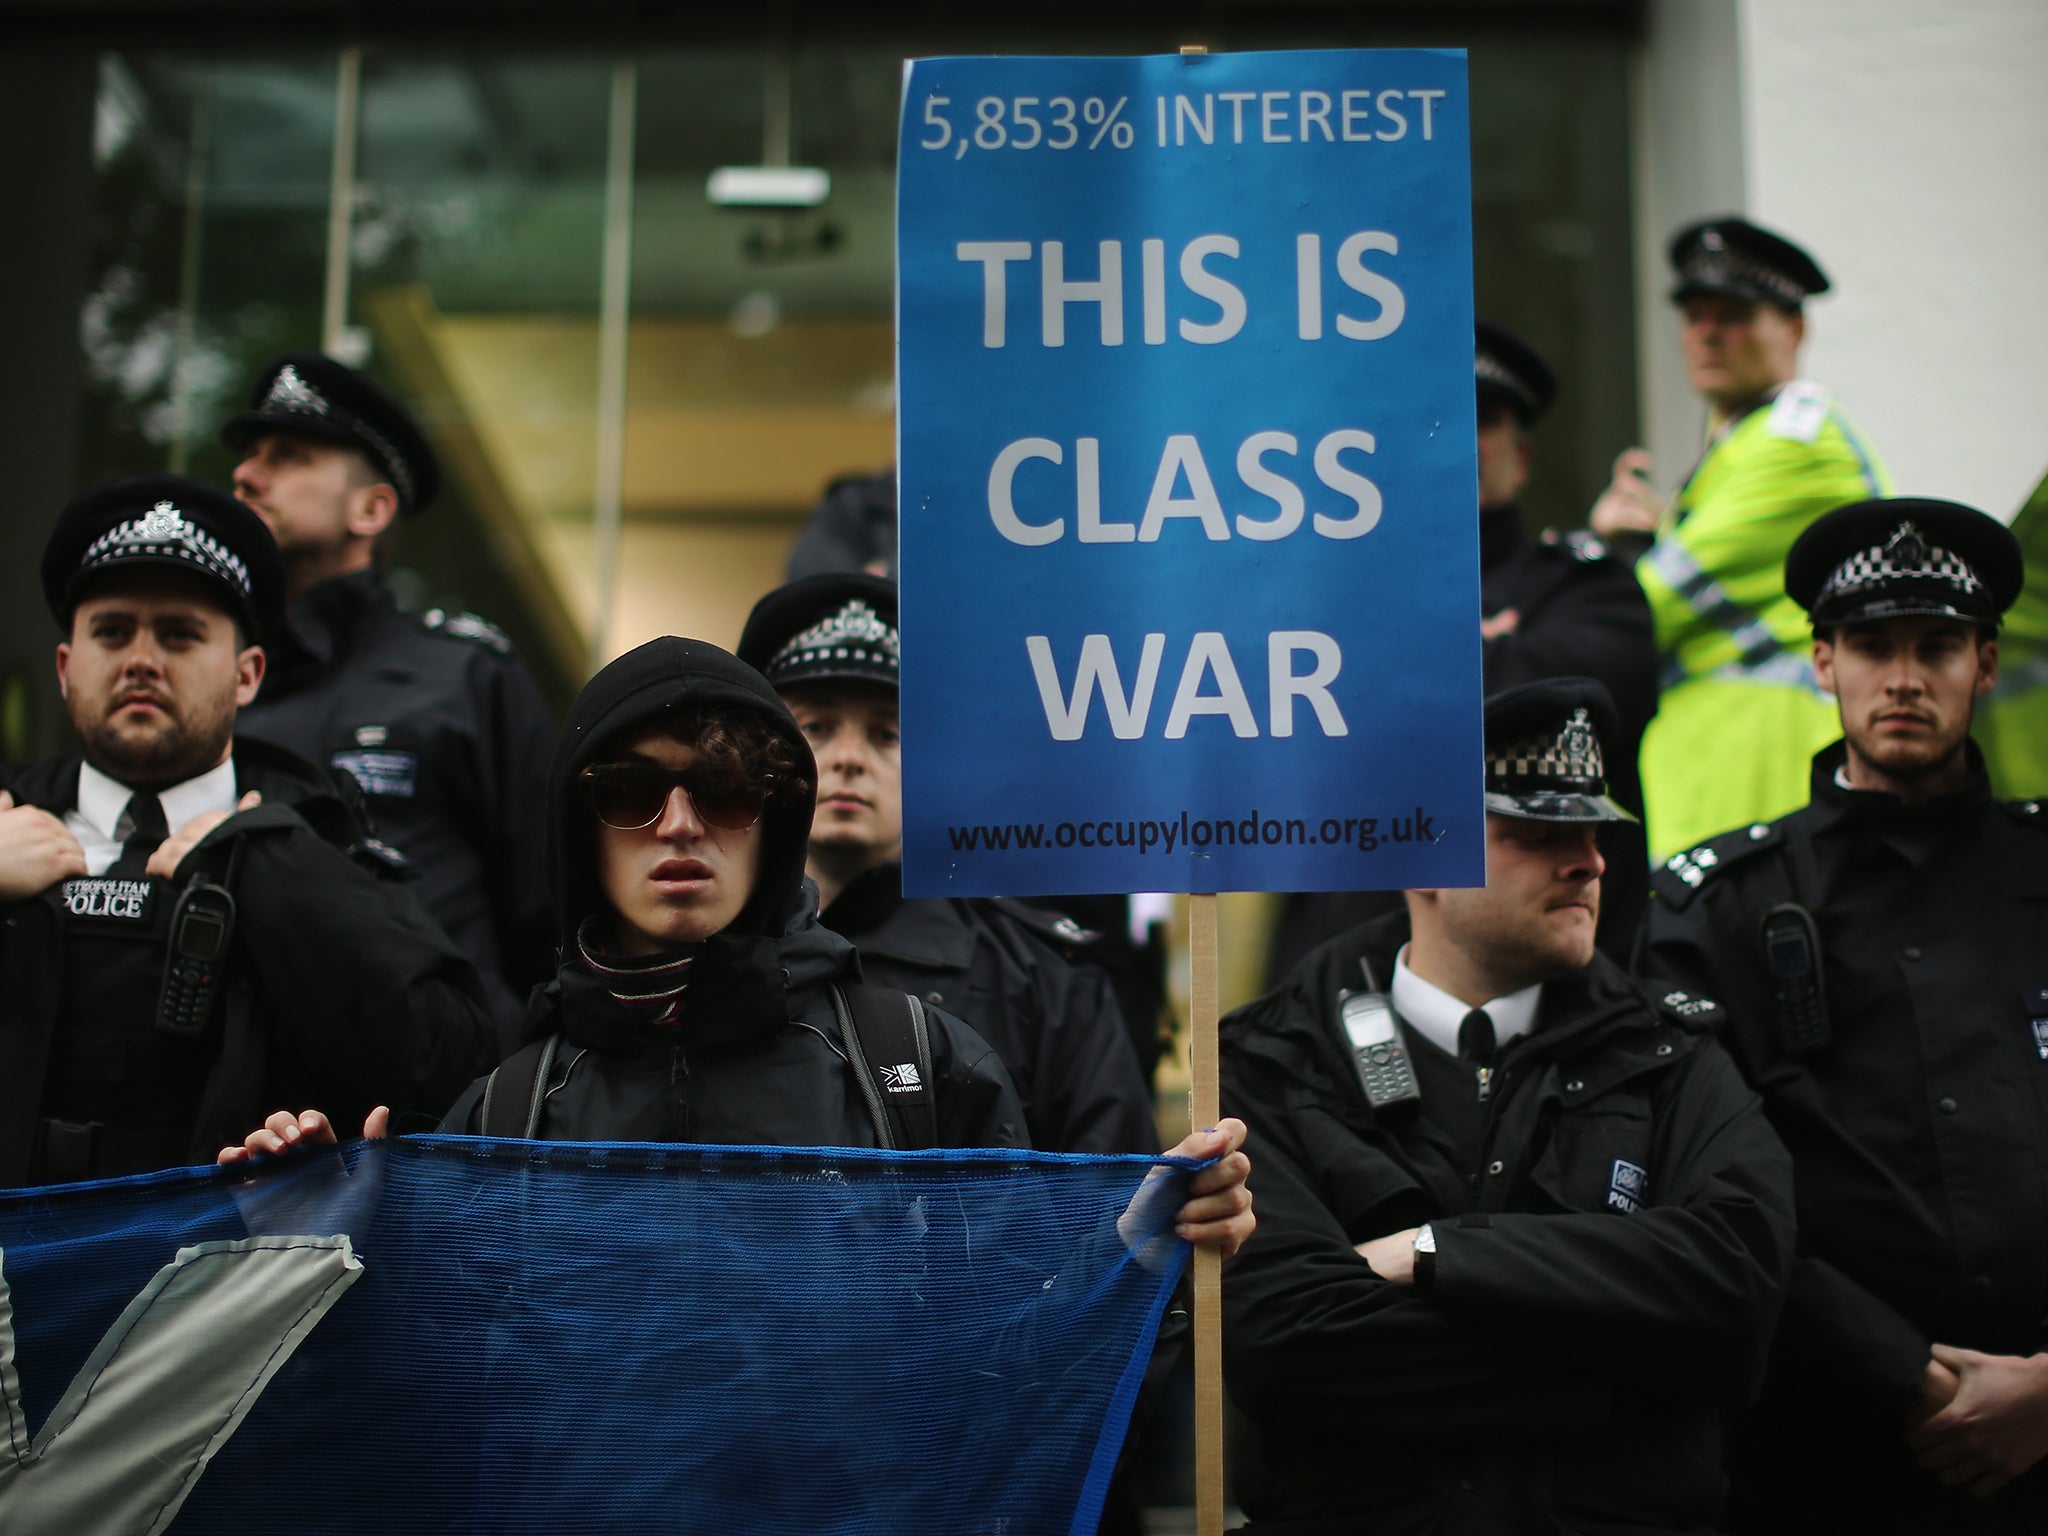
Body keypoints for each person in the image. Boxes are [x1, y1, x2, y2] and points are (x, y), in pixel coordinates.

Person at [224, 635, 1253, 1259]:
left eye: (720, 791)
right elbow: (447, 1400)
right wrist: (328, 1248)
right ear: (580, 831)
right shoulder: (507, 1107)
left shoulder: (921, 1072)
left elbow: (1010, 1366)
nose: (678, 825)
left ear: (772, 820)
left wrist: (1136, 1249)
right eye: (631, 791)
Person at [1221, 677, 1793, 1534]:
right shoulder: (1274, 1062)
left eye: (1593, 831)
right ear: (1423, 858)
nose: (1591, 861)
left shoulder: (1670, 1056)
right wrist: (1632, 1358)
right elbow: (1287, 1344)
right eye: (1541, 832)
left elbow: (1738, 1284)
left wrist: (1435, 1252)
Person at [1637, 497, 2048, 1533]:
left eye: (1935, 647)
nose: (1902, 679)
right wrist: (1897, 1369)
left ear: (1983, 666)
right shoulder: (1715, 906)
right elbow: (1695, 1187)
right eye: (1870, 646)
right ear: (1822, 664)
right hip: (1828, 1432)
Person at [0, 475, 495, 1186]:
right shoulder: (7, 819)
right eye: (112, 632)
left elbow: (450, 1066)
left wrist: (275, 866)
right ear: (64, 667)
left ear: (247, 674)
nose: (142, 658)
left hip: (218, 1280)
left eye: (180, 634)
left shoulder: (318, 843)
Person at [1266, 321, 1661, 985]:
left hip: (1555, 1002)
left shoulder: (1588, 585)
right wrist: (1483, 648)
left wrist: (1397, 661)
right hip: (1350, 983)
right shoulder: (1331, 591)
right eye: (1435, 417)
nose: (1455, 437)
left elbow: (1554, 705)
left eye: (1480, 419)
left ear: (1522, 457)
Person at [735, 574, 1156, 1154]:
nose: (850, 760)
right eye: (816, 728)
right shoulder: (699, 956)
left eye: (888, 733)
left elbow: (1111, 1222)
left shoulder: (1044, 982)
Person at [225, 352, 556, 1048]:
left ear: (372, 508)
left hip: (438, 1115)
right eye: (250, 456)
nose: (246, 476)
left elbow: (552, 923)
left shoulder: (466, 674)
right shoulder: (221, 681)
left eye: (288, 457)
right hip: (250, 1120)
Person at [1590, 216, 1891, 860]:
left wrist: (1613, 559)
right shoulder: (1742, 443)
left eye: (1734, 315)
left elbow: (1646, 610)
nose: (1708, 333)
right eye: (1695, 315)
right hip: (1722, 785)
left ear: (1795, 328)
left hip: (1763, 784)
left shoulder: (1797, 447)